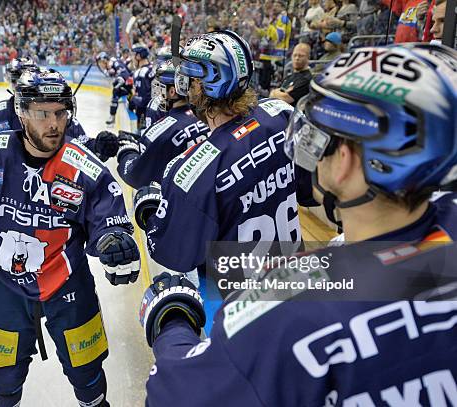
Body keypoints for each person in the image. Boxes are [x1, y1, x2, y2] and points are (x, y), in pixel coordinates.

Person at [138, 43, 457, 406]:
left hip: (231, 296)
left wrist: (171, 323)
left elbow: (175, 394)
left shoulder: (282, 310)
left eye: (320, 131)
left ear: (345, 162)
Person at [0, 69, 141, 407]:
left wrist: (112, 239)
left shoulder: (85, 168)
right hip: (6, 286)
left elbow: (107, 216)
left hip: (68, 284)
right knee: (4, 377)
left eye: (60, 112)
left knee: (87, 373)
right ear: (20, 112)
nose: (53, 123)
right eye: (41, 113)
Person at [133, 30, 301, 297]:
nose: (184, 82)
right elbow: (306, 189)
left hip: (241, 307)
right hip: (297, 280)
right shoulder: (281, 113)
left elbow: (174, 253)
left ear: (210, 82)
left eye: (190, 74)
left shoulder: (190, 169)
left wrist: (153, 211)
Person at [0, 58, 118, 161]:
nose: (18, 85)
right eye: (15, 80)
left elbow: (82, 147)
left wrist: (98, 147)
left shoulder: (59, 116)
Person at [114, 60, 210, 189]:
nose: (159, 93)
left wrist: (127, 151)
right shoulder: (209, 116)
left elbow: (135, 175)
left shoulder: (162, 130)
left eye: (161, 87)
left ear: (172, 92)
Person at [95, 52, 133, 126]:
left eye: (100, 62)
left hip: (131, 86)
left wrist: (119, 79)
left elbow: (125, 75)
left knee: (116, 90)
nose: (100, 65)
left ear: (105, 60)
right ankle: (112, 117)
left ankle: (113, 117)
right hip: (124, 86)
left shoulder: (115, 63)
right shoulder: (110, 66)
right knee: (115, 95)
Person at [129, 44, 155, 130]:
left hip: (146, 114)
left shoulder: (141, 72)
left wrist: (132, 100)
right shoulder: (152, 68)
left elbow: (143, 99)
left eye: (134, 55)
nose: (132, 59)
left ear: (139, 56)